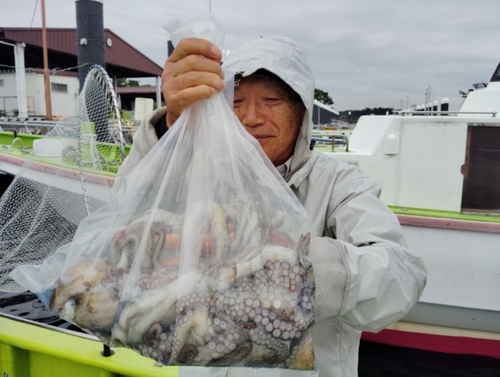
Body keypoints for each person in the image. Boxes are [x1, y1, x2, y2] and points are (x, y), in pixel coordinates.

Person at [115, 36, 427, 376]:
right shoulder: (199, 174)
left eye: (271, 99)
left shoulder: (340, 183)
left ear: (301, 110)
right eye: (235, 102)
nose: (251, 118)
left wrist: (292, 265)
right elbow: (124, 216)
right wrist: (171, 130)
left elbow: (402, 275)